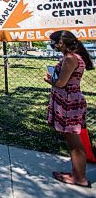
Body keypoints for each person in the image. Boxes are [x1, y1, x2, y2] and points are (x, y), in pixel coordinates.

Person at [44, 30, 94, 188]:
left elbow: (61, 83)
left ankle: (79, 177)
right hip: (66, 100)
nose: (52, 45)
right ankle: (76, 174)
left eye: (53, 42)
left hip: (68, 103)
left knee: (74, 143)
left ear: (61, 42)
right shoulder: (70, 57)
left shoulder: (71, 58)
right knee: (72, 140)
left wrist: (49, 79)